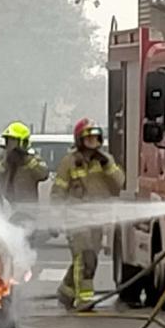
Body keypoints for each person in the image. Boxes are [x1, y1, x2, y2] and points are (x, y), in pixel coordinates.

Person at [52, 118, 124, 310]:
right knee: (85, 258)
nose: (93, 143)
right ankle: (84, 299)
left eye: (96, 138)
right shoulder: (69, 162)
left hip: (97, 219)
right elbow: (58, 192)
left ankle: (66, 292)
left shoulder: (105, 161)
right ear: (79, 140)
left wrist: (107, 165)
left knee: (88, 258)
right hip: (75, 219)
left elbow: (119, 184)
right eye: (88, 139)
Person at [0, 122, 50, 204]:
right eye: (7, 140)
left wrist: (25, 160)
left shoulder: (32, 158)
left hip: (27, 208)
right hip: (5, 205)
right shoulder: (3, 157)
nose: (9, 144)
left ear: (22, 142)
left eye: (12, 140)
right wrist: (6, 162)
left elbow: (44, 174)